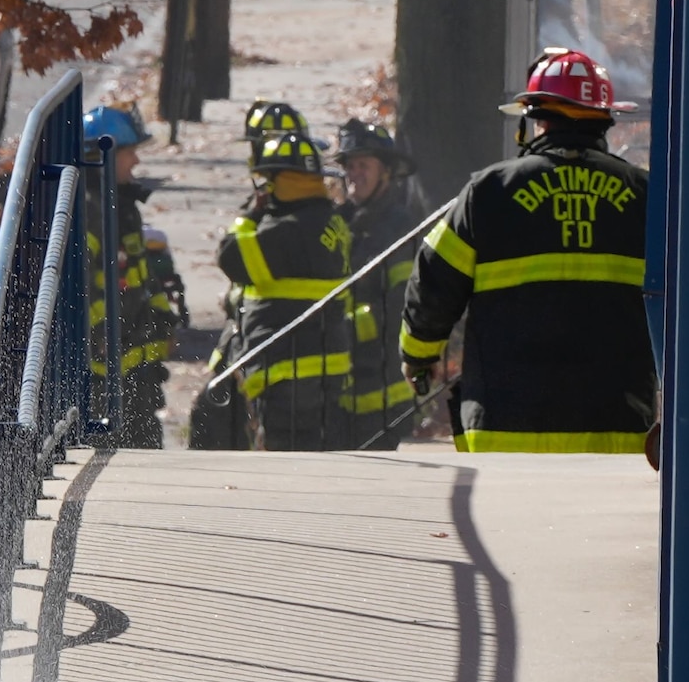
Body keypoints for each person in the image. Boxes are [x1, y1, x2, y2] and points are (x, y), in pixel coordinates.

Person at [399, 46, 654, 455]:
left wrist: (418, 354)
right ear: (604, 121)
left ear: (535, 120)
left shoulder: (489, 193)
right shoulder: (646, 196)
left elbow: (435, 279)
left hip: (507, 432)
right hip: (616, 432)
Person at [212, 102, 380, 452]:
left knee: (283, 456)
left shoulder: (282, 231)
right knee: (318, 452)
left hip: (283, 368)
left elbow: (230, 256)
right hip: (328, 364)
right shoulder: (331, 222)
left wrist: (250, 215)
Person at [85, 105, 187, 446]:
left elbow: (139, 277)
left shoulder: (118, 206)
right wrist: (99, 333)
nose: (136, 163)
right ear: (102, 157)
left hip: (134, 374)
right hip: (101, 381)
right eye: (130, 153)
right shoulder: (88, 213)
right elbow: (76, 290)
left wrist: (162, 318)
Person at [332, 117, 427, 436]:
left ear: (385, 172)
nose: (354, 175)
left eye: (364, 166)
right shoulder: (341, 221)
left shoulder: (398, 229)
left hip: (381, 389)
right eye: (350, 167)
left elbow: (400, 307)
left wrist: (341, 329)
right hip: (342, 380)